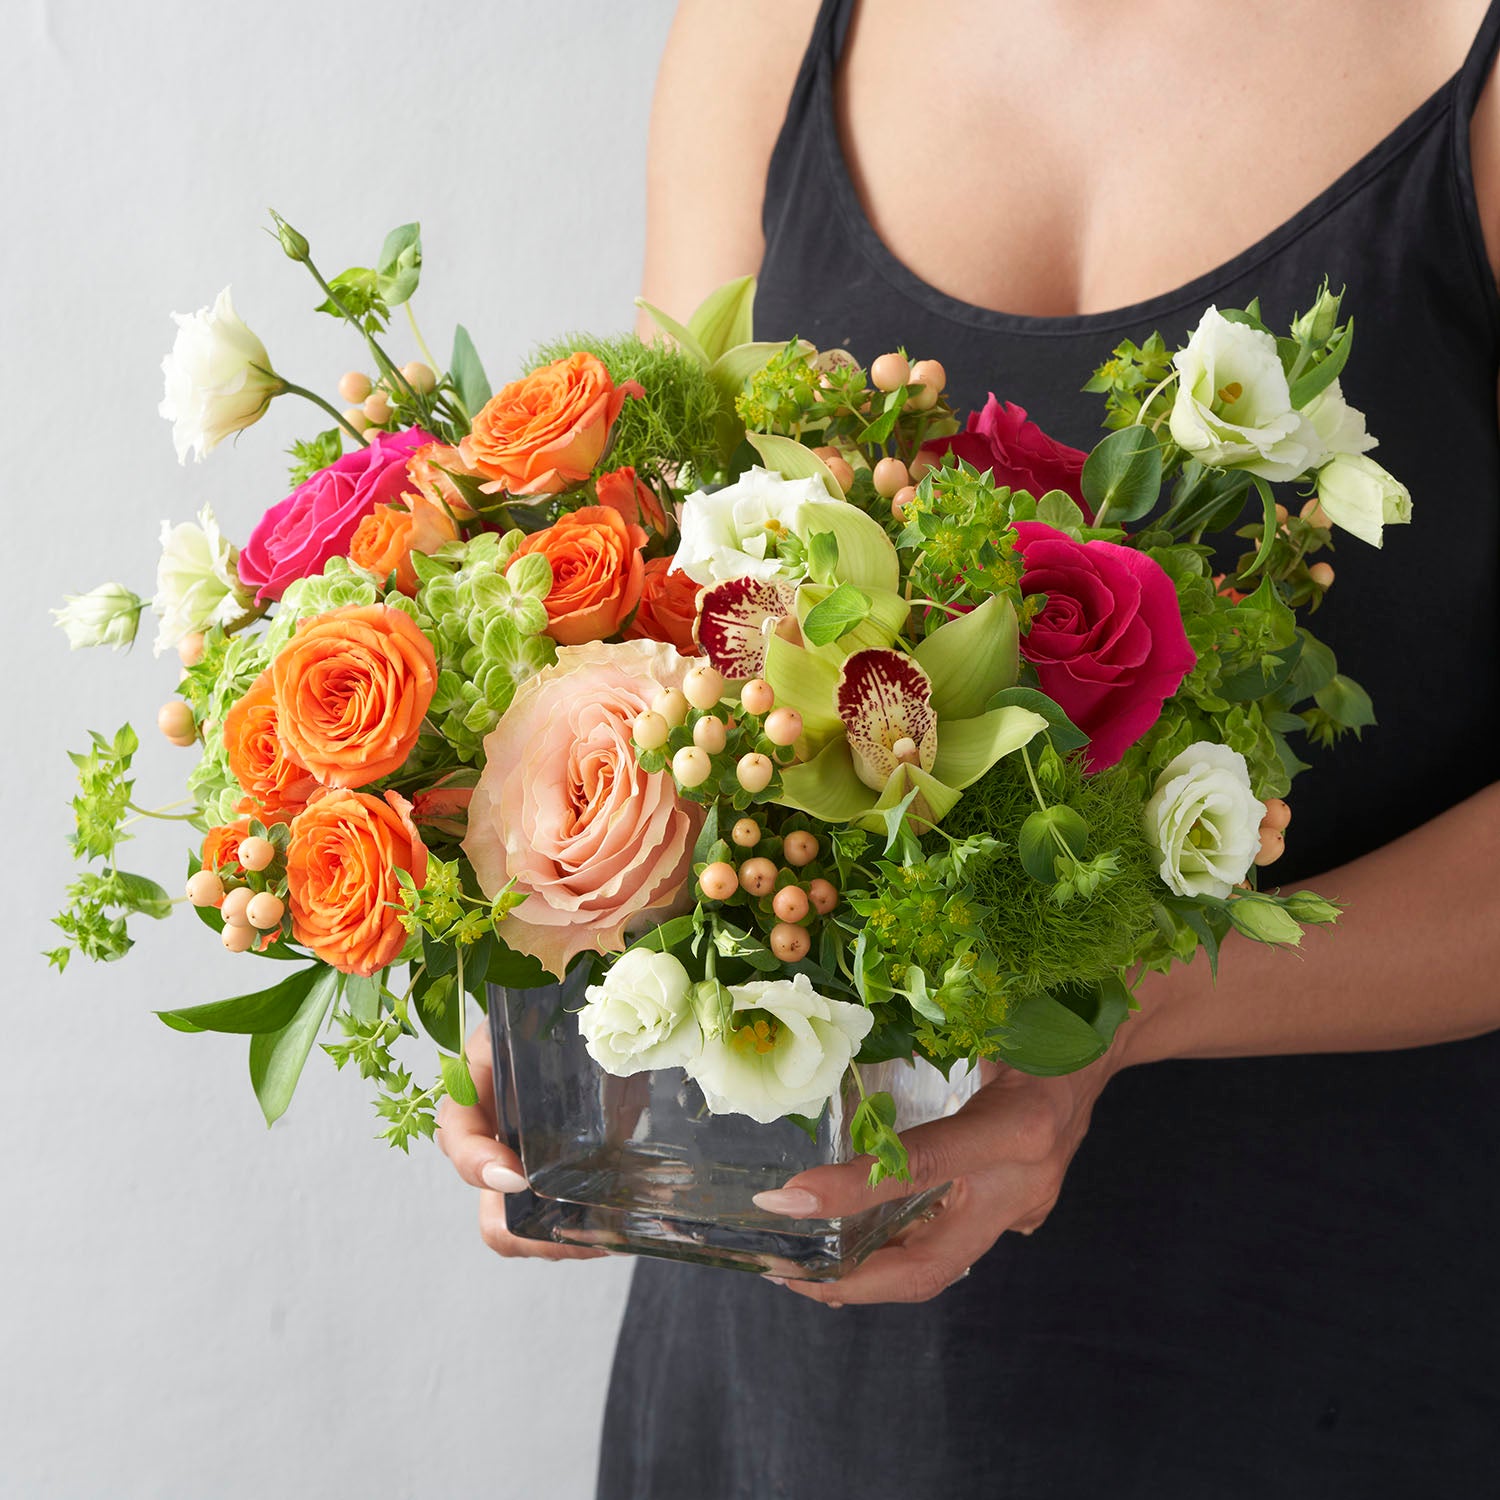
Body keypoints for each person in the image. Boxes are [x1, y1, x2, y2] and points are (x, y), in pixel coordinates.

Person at [438, 2, 1500, 1492]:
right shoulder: (772, 26)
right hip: (801, 1370)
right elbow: (645, 602)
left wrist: (1123, 1018)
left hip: (1341, 1335)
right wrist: (549, 961)